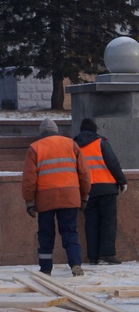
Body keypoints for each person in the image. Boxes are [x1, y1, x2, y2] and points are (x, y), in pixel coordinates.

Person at [22, 118, 91, 276]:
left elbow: (29, 179)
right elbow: (84, 173)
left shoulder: (35, 148)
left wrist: (29, 201)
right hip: (70, 196)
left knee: (46, 234)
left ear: (42, 134)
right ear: (56, 131)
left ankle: (45, 268)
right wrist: (85, 195)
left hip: (46, 199)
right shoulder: (71, 144)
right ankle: (75, 264)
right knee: (70, 231)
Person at [74, 118, 128, 265]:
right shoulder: (101, 142)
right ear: (95, 130)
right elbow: (113, 162)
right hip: (106, 188)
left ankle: (93, 256)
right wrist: (122, 181)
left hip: (87, 190)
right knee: (108, 222)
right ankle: (107, 254)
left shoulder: (75, 146)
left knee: (91, 223)